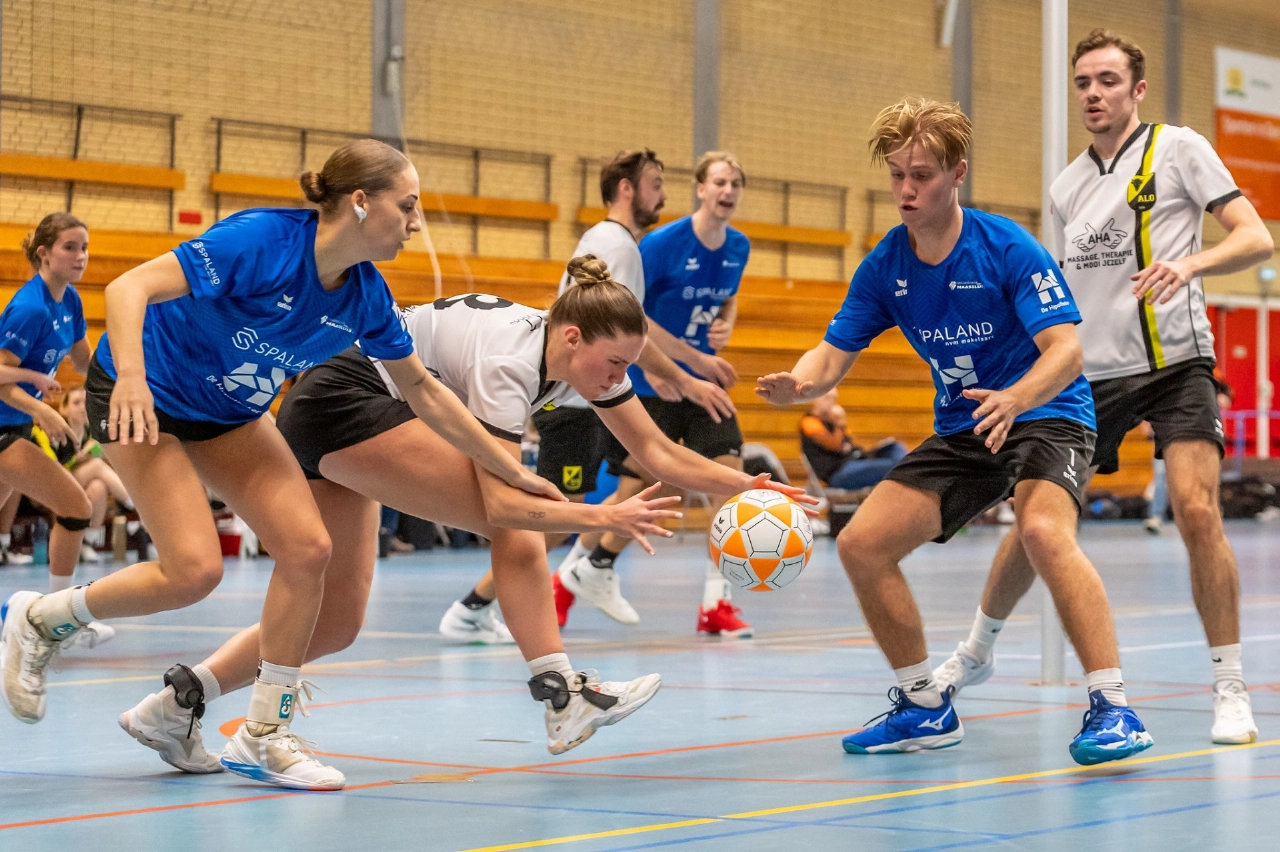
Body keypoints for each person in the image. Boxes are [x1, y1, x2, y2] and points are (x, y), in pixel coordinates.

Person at [0, 140, 566, 791]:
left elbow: (426, 393)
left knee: (307, 548)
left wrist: (508, 468)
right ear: (361, 202)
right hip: (145, 395)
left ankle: (265, 732)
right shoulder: (262, 241)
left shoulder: (365, 296)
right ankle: (43, 618)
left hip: (229, 413)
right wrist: (130, 375)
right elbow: (130, 286)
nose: (416, 223)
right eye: (407, 206)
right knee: (194, 571)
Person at [119, 255, 812, 787]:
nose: (618, 378)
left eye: (628, 365)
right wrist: (604, 514)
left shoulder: (580, 358)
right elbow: (507, 506)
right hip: (343, 399)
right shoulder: (510, 362)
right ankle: (561, 695)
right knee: (515, 522)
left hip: (356, 405)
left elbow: (657, 451)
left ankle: (179, 701)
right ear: (573, 336)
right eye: (615, 364)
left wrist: (748, 484)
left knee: (337, 620)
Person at [757, 96, 1153, 765]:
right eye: (897, 175)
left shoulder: (1005, 247)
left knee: (1042, 531)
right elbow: (829, 357)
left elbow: (1066, 353)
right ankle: (924, 706)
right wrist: (800, 384)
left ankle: (1114, 707)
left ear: (957, 173)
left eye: (922, 175)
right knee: (861, 545)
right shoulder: (886, 266)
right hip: (966, 428)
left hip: (1046, 411)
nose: (906, 190)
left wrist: (1015, 398)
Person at [933, 29, 1273, 747]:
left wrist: (1191, 265)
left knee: (1197, 509)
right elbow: (1054, 294)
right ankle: (975, 652)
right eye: (1083, 82)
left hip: (1177, 364)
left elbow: (1255, 237)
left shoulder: (1179, 148)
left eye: (1108, 80)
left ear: (1137, 89)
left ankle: (1230, 686)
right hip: (1092, 376)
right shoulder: (1066, 188)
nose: (1093, 93)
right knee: (1036, 523)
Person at [532, 148, 735, 628]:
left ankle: (587, 573)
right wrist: (684, 375)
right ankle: (481, 605)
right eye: (656, 184)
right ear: (627, 189)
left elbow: (626, 328)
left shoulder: (609, 240)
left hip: (585, 396)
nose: (663, 195)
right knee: (555, 519)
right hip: (576, 399)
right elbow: (628, 325)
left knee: (615, 498)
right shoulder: (627, 247)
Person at [0, 213, 115, 650]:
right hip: (6, 425)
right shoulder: (30, 309)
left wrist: (130, 375)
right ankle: (56, 622)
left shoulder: (71, 301)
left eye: (85, 247)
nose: (81, 256)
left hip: (14, 422)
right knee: (75, 507)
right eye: (70, 247)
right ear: (44, 254)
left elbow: (85, 363)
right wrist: (41, 409)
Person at [52, 385, 137, 562]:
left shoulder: (90, 433)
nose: (83, 407)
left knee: (98, 486)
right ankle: (136, 505)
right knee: (97, 466)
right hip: (53, 487)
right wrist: (75, 461)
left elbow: (100, 454)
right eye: (76, 403)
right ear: (64, 408)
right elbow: (49, 468)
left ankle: (87, 543)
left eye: (86, 402)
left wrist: (88, 456)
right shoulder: (56, 431)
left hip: (77, 485)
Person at [800, 389, 907, 490]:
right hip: (838, 473)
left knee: (895, 448)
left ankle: (907, 474)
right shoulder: (810, 423)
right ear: (816, 399)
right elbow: (836, 446)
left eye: (834, 399)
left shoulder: (833, 422)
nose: (831, 402)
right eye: (827, 398)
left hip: (853, 461)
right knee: (894, 466)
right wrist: (839, 423)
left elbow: (849, 445)